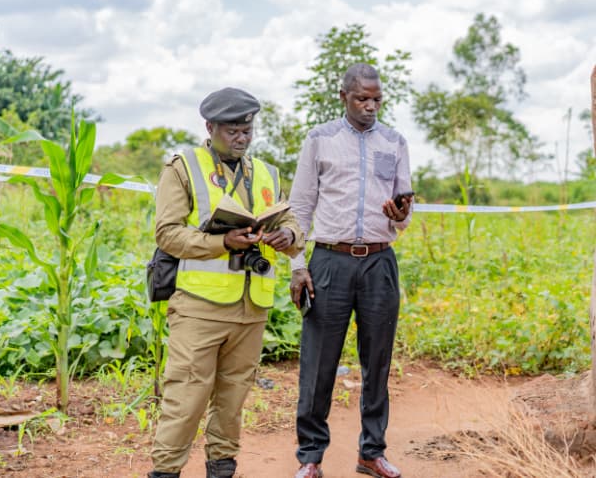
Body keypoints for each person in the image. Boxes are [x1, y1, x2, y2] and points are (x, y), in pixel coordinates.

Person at [148, 87, 305, 478]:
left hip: (252, 308)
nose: (241, 137)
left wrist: (288, 237)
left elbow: (290, 222)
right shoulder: (183, 166)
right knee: (186, 398)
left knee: (233, 402)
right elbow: (167, 234)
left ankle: (222, 470)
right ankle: (165, 472)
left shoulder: (267, 172)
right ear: (210, 127)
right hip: (200, 307)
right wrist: (222, 243)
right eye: (232, 130)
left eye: (247, 129)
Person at [289, 63, 413, 478]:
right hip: (329, 261)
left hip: (379, 262)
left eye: (377, 99)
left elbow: (402, 212)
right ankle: (310, 457)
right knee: (319, 364)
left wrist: (400, 215)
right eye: (363, 98)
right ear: (343, 96)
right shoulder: (320, 140)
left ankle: (371, 452)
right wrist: (297, 266)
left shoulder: (395, 142)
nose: (371, 106)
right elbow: (300, 207)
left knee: (376, 363)